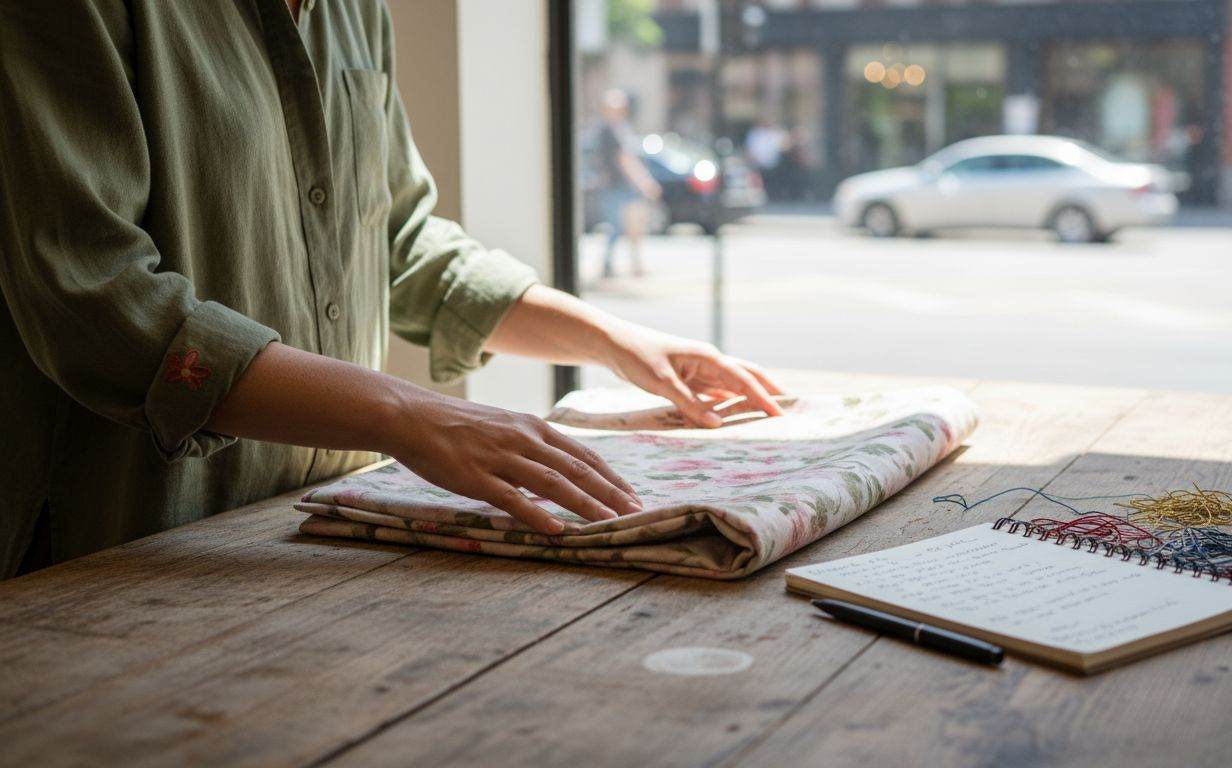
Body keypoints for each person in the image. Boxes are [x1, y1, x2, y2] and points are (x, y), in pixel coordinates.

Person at [0, 0, 783, 579]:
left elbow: (396, 239)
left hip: (313, 538)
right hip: (119, 556)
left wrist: (612, 341)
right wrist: (406, 415)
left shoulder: (354, 10)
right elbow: (94, 293)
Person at [594, 89, 661, 279]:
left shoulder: (619, 129)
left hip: (621, 186)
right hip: (616, 186)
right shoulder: (610, 131)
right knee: (618, 226)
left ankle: (632, 264)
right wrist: (644, 181)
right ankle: (612, 265)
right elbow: (624, 159)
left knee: (632, 226)